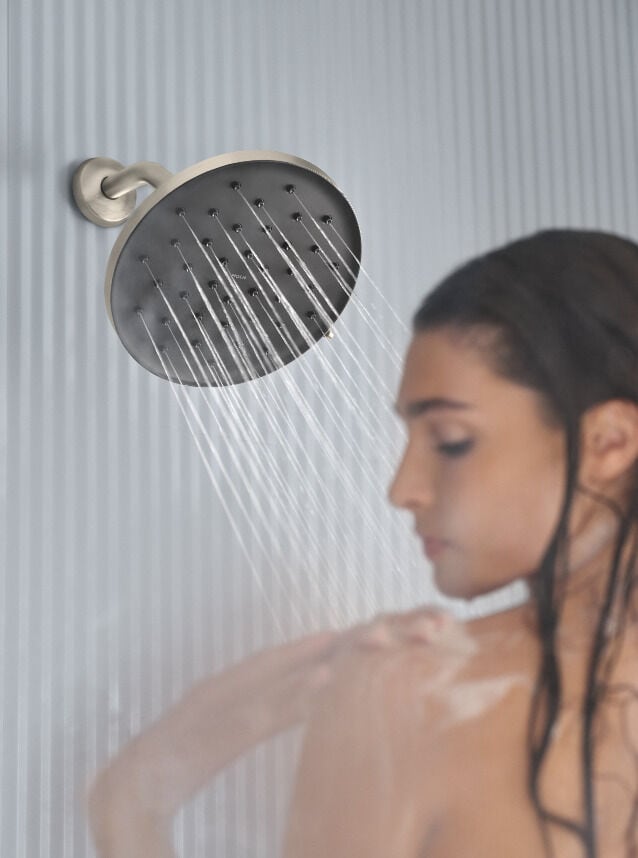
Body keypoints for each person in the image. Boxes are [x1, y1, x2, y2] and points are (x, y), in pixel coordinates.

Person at [88, 229, 638, 858]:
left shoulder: (408, 695)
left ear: (609, 443)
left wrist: (136, 792)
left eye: (452, 439)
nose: (402, 489)